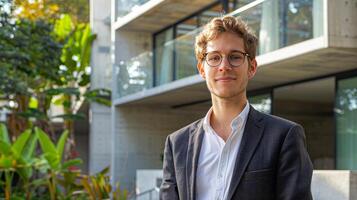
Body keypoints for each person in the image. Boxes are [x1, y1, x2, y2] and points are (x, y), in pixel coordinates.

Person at [159, 16, 313, 200]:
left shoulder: (284, 136)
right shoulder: (177, 143)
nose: (224, 66)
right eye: (214, 57)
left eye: (235, 57)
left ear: (252, 67)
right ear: (201, 69)